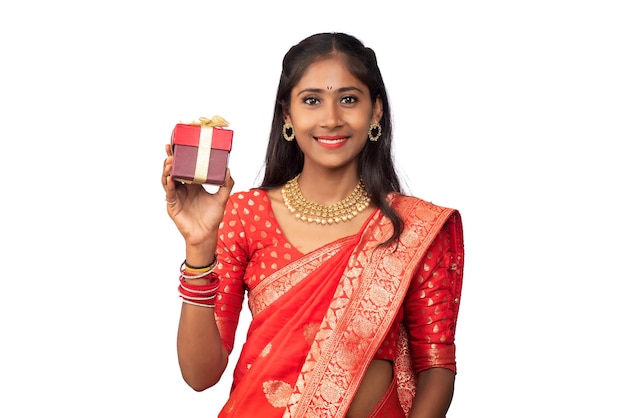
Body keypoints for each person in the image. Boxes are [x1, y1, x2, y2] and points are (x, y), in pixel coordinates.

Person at [162, 32, 464, 418]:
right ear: (287, 114)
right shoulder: (246, 213)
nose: (331, 118)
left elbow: (436, 365)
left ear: (376, 112)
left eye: (349, 99)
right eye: (312, 101)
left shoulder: (413, 227)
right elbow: (200, 374)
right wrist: (200, 246)